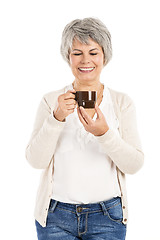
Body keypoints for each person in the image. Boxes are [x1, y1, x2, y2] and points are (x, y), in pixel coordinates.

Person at [25, 17, 144, 240]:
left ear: (104, 56)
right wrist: (56, 118)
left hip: (107, 217)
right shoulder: (51, 101)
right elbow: (35, 161)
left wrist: (104, 134)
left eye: (93, 52)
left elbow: (134, 164)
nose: (85, 60)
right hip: (55, 218)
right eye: (77, 53)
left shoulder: (121, 103)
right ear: (67, 57)